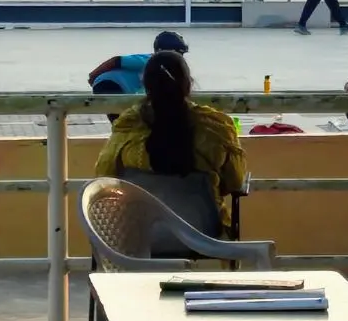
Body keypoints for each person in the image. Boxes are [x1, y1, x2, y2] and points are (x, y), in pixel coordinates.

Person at [94, 51, 246, 233]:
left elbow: (104, 175)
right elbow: (235, 182)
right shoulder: (216, 128)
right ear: (188, 85)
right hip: (205, 236)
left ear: (146, 87)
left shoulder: (128, 128)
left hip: (141, 235)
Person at [87, 31, 190, 122]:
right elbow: (116, 61)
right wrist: (94, 75)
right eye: (179, 53)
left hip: (116, 87)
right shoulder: (149, 60)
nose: (181, 58)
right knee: (126, 123)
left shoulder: (164, 68)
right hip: (109, 84)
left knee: (126, 122)